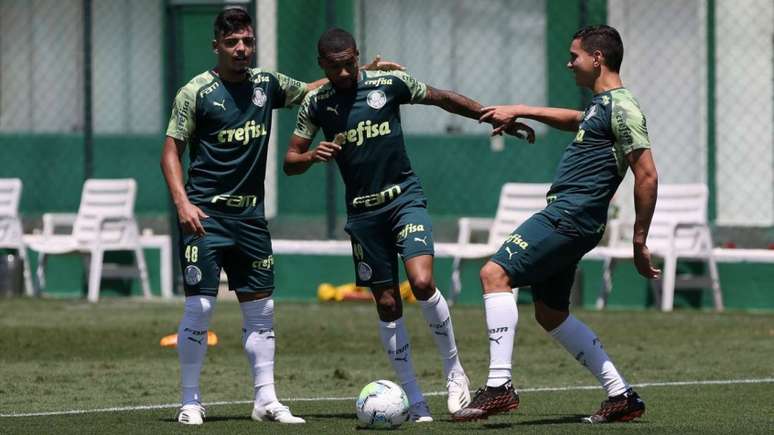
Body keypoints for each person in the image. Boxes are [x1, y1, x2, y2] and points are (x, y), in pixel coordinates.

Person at [160, 8, 402, 426]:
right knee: (200, 307)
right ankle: (190, 400)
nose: (241, 49)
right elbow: (170, 151)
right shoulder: (195, 92)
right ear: (217, 45)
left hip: (251, 218)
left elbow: (311, 89)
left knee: (262, 310)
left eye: (247, 42)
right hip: (206, 216)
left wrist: (360, 71)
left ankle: (266, 401)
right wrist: (182, 203)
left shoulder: (265, 84)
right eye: (233, 42)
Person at [283, 28, 535, 422]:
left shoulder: (388, 83)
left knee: (420, 282)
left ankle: (455, 373)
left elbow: (442, 99)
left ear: (358, 56)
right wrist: (313, 155)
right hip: (363, 215)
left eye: (351, 63)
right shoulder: (317, 103)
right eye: (336, 67)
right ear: (322, 66)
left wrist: (489, 116)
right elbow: (289, 161)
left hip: (404, 199)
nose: (346, 73)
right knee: (386, 302)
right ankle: (414, 397)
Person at [453, 24, 658, 423]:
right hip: (573, 218)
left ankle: (499, 386)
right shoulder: (603, 105)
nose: (569, 63)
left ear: (597, 59)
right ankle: (622, 396)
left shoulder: (624, 107)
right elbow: (576, 119)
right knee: (550, 313)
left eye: (574, 56)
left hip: (570, 215)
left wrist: (638, 241)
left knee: (494, 273)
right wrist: (520, 109)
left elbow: (647, 175)